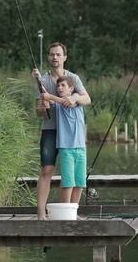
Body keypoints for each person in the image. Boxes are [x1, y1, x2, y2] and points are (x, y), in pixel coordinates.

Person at [34, 42, 91, 220]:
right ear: (48, 57)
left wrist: (74, 97)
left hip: (72, 136)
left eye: (58, 54)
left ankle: (70, 212)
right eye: (51, 54)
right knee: (47, 171)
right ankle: (41, 213)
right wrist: (43, 107)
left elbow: (86, 98)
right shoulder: (42, 81)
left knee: (73, 176)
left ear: (64, 57)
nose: (55, 57)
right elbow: (38, 111)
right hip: (51, 130)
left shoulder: (73, 78)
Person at [41, 76, 86, 207]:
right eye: (58, 86)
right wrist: (44, 94)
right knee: (68, 182)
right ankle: (66, 210)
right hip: (66, 148)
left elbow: (66, 101)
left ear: (71, 88)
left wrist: (49, 96)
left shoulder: (75, 99)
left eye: (63, 85)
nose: (59, 88)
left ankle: (74, 211)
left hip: (81, 148)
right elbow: (53, 101)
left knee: (80, 183)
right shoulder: (59, 105)